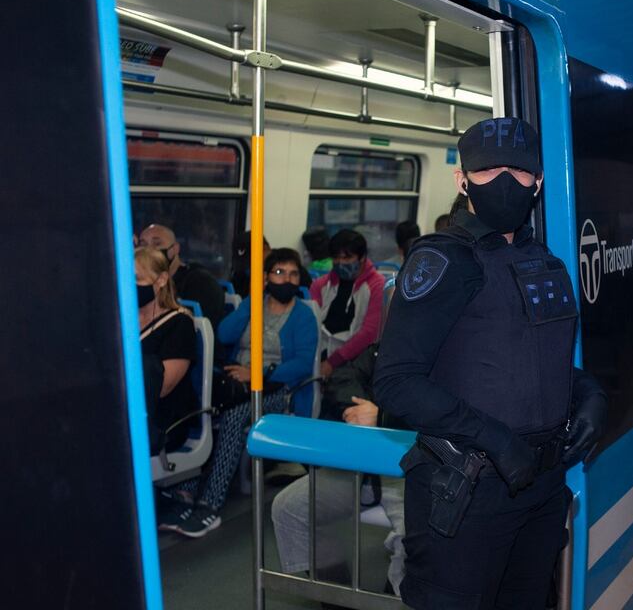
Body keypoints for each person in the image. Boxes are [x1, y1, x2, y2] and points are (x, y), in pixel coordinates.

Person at [373, 117, 608, 608]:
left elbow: (528, 360)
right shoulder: (442, 261)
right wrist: (495, 440)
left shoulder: (542, 260)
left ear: (538, 182)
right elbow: (396, 382)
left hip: (541, 486)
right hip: (469, 488)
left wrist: (588, 393)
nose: (505, 181)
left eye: (519, 171)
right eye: (488, 170)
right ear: (462, 181)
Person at [160, 248, 319, 538]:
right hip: (239, 381)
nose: (286, 280)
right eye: (279, 273)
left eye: (293, 274)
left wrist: (259, 373)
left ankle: (210, 503)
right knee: (197, 402)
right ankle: (184, 492)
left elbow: (302, 363)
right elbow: (224, 335)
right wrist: (253, 303)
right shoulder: (253, 304)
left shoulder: (303, 315)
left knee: (234, 416)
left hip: (279, 388)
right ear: (266, 277)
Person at [271, 397, 408, 594]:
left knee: (414, 535)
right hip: (361, 458)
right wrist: (352, 411)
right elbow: (343, 386)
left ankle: (395, 600)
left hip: (417, 466)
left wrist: (384, 418)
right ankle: (339, 598)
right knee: (289, 507)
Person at [135, 247, 196, 456]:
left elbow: (162, 387)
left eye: (137, 279)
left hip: (161, 420)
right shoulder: (120, 319)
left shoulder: (179, 324)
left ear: (161, 280)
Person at [309, 229, 385, 389]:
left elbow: (369, 333)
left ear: (362, 257)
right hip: (319, 351)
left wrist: (332, 362)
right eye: (336, 258)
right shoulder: (321, 285)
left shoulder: (377, 286)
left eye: (347, 258)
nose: (341, 263)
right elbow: (310, 322)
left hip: (355, 359)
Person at [139, 224, 225, 341]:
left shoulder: (201, 283)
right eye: (143, 245)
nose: (149, 250)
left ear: (175, 249)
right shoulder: (138, 286)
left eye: (157, 244)